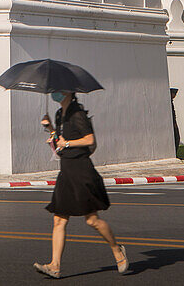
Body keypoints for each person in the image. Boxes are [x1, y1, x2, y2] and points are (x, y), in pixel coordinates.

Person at [33, 91, 128, 278]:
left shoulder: (78, 114)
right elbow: (59, 144)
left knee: (92, 220)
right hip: (66, 171)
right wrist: (50, 128)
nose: (55, 93)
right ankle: (55, 265)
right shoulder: (60, 114)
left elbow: (89, 140)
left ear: (68, 92)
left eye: (59, 89)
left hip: (81, 171)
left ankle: (117, 249)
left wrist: (67, 143)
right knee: (58, 220)